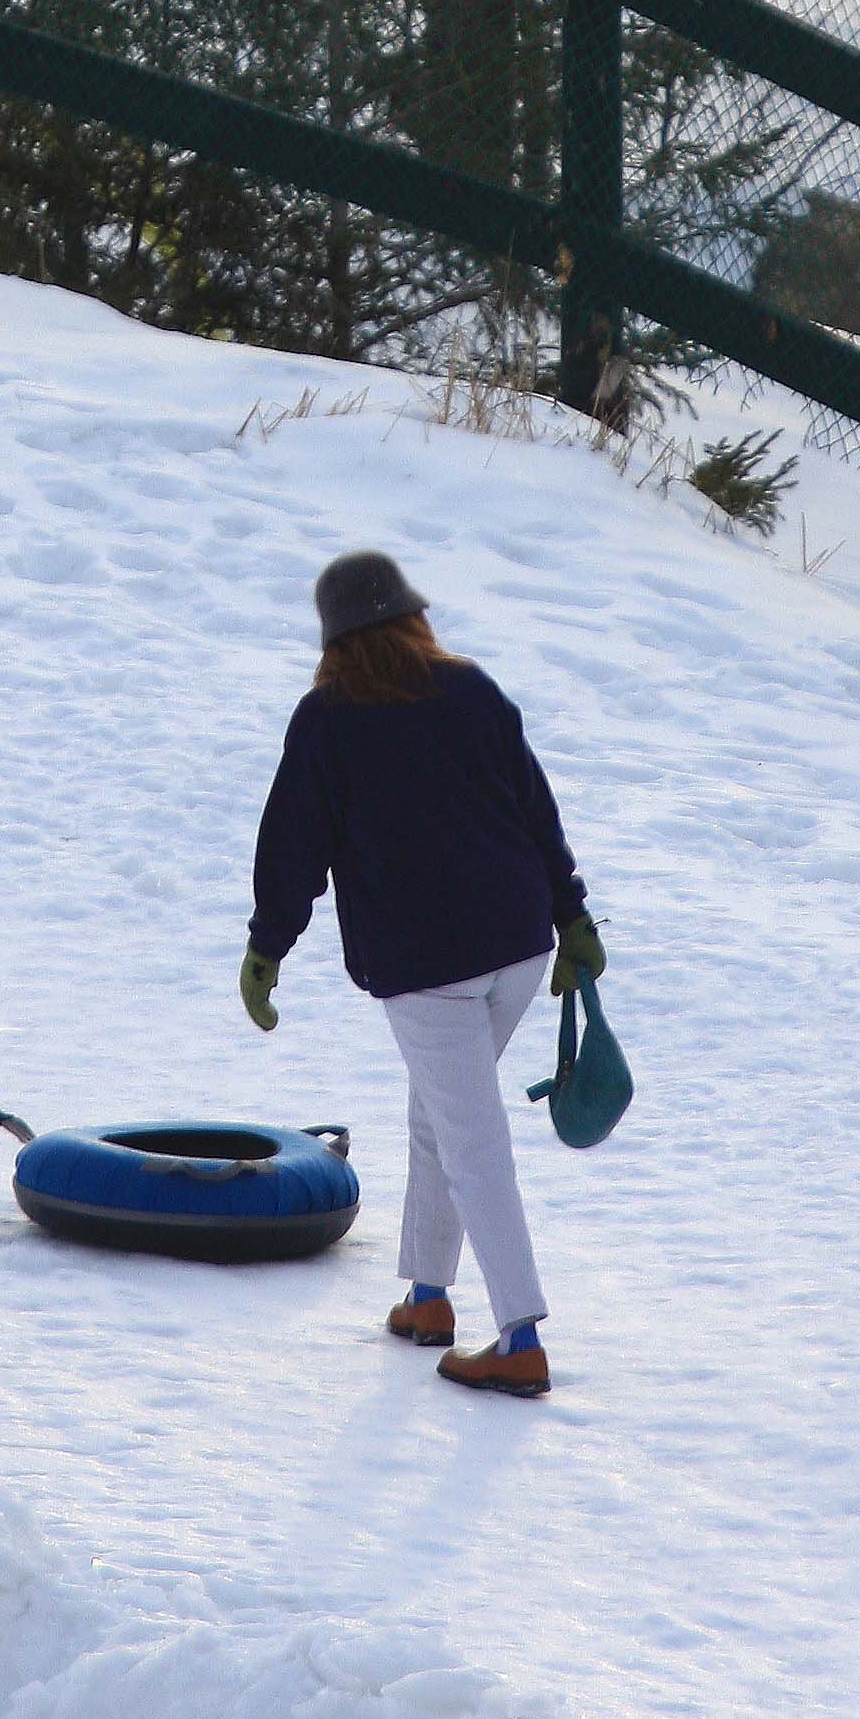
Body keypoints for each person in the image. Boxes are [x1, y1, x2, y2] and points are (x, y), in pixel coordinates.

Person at [242, 551, 605, 1398]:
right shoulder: (472, 690)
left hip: (426, 966)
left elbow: (292, 843)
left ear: (333, 639)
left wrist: (268, 946)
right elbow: (534, 808)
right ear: (413, 617)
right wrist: (572, 915)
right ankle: (428, 1296)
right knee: (441, 1116)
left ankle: (519, 1334)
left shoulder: (329, 718)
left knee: (469, 1136)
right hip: (517, 948)